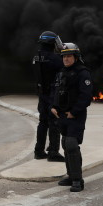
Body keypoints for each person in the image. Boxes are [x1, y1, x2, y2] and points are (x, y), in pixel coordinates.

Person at [51, 43, 93, 193]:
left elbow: (86, 96)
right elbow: (55, 90)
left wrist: (74, 112)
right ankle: (70, 175)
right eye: (64, 56)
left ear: (76, 57)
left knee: (71, 144)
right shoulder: (61, 72)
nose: (66, 59)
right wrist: (53, 106)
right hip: (62, 115)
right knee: (65, 144)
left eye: (69, 56)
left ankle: (77, 180)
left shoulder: (83, 73)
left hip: (75, 116)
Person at [31, 31, 65, 162]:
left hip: (41, 93)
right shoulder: (56, 59)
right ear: (52, 43)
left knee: (42, 123)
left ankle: (39, 151)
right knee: (54, 123)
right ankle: (53, 152)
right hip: (52, 94)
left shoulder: (36, 57)